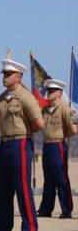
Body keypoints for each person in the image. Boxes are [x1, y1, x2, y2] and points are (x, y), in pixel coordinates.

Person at [0, 58, 44, 231]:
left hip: (20, 144)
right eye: (4, 74)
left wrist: (25, 134)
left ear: (18, 77)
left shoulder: (25, 97)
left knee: (23, 188)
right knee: (3, 190)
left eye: (9, 74)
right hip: (3, 144)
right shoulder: (1, 99)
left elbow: (39, 123)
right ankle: (2, 229)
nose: (5, 77)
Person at [37, 79, 76, 219]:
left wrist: (63, 136)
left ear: (59, 93)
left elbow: (73, 129)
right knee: (48, 179)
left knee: (61, 178)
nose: (49, 93)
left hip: (58, 145)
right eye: (49, 90)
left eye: (53, 91)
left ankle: (67, 209)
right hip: (46, 146)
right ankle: (46, 209)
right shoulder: (45, 110)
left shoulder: (65, 109)